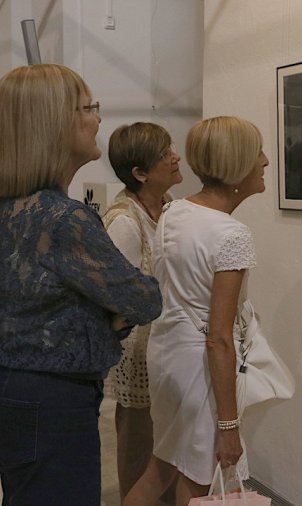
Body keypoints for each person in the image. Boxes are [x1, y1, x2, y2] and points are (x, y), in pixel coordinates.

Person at [0, 64, 163, 505]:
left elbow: (32, 297)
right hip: (46, 404)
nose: (97, 118)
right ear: (54, 122)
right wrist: (105, 316)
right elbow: (145, 299)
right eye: (88, 107)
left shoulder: (3, 204)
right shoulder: (64, 218)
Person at [123, 116, 269, 506]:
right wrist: (229, 426)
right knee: (199, 482)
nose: (266, 161)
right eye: (258, 153)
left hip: (167, 355)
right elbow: (218, 338)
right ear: (237, 163)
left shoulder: (176, 211)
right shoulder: (231, 234)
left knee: (162, 469)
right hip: (199, 370)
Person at [104, 122, 183, 503]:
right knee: (139, 448)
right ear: (140, 173)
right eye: (166, 154)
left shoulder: (169, 209)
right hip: (139, 356)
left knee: (166, 446)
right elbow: (119, 303)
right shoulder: (124, 221)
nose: (176, 157)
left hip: (165, 351)